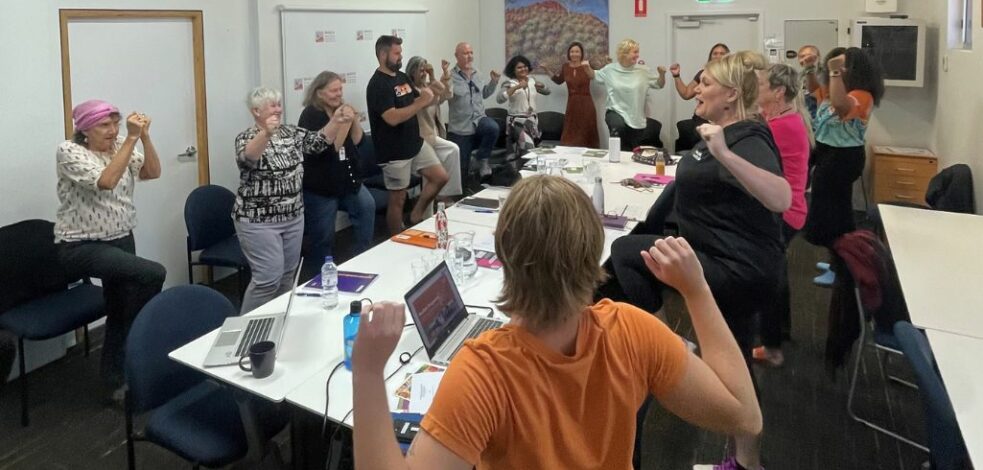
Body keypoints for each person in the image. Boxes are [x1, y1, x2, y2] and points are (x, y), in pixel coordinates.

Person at [350, 175, 762, 470]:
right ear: (592, 251)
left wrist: (368, 371)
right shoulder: (633, 329)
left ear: (504, 253)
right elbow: (745, 417)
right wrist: (697, 291)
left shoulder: (484, 371)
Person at [605, 53, 792, 470]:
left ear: (729, 95)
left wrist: (724, 152)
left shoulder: (747, 137)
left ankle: (671, 345)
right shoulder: (718, 133)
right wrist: (643, 227)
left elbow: (781, 198)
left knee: (623, 254)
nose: (697, 89)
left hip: (737, 268)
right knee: (736, 361)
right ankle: (748, 462)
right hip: (719, 257)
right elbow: (678, 193)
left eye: (705, 83)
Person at [55, 99, 166, 397]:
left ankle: (115, 378)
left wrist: (143, 137)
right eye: (105, 125)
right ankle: (140, 339)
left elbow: (152, 172)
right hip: (82, 245)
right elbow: (105, 181)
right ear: (85, 129)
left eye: (116, 123)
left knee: (121, 308)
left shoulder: (120, 145)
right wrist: (130, 138)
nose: (113, 130)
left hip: (119, 237)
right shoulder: (70, 151)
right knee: (153, 273)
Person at [234, 87, 333, 314]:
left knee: (288, 276)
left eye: (279, 104)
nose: (278, 109)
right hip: (258, 220)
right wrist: (266, 134)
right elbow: (248, 158)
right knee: (268, 278)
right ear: (256, 111)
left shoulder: (290, 133)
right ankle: (248, 330)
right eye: (272, 105)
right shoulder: (246, 137)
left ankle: (279, 322)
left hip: (293, 216)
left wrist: (337, 120)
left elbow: (319, 142)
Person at [751, 63, 814, 367]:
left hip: (784, 214)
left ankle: (772, 346)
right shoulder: (786, 118)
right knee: (778, 272)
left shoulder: (780, 127)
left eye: (761, 85)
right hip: (792, 210)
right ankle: (781, 333)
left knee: (769, 277)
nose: (756, 90)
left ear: (777, 92)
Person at [802, 47, 884, 249]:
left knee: (837, 210)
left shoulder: (863, 95)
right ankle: (835, 257)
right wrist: (810, 67)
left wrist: (835, 71)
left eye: (842, 66)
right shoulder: (833, 91)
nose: (837, 70)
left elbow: (841, 105)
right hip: (826, 151)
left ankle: (845, 260)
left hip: (843, 157)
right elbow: (813, 90)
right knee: (826, 205)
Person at [366, 35, 449, 235]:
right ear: (383, 54)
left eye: (401, 53)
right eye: (396, 53)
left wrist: (432, 92)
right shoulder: (377, 85)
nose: (400, 57)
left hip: (415, 143)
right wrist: (420, 102)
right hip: (394, 152)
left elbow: (419, 100)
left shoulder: (402, 77)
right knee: (398, 199)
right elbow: (392, 118)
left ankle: (416, 215)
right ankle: (397, 237)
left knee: (440, 177)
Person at [297, 71, 376, 263]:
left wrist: (354, 120)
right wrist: (343, 124)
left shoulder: (341, 110)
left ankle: (362, 257)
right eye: (333, 91)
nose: (339, 94)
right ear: (319, 93)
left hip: (347, 179)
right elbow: (332, 149)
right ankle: (322, 273)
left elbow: (358, 140)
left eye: (340, 89)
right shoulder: (311, 115)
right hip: (321, 186)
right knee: (324, 235)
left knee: (367, 206)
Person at [406, 56, 463, 200]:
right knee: (449, 152)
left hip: (434, 135)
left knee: (452, 151)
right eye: (421, 70)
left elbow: (445, 94)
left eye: (425, 70)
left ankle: (445, 194)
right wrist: (433, 84)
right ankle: (438, 199)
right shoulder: (409, 90)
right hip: (421, 138)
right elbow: (428, 100)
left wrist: (432, 75)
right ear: (412, 71)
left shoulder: (426, 86)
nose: (423, 73)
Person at [595, 39, 667, 152]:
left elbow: (659, 84)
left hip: (635, 118)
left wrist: (662, 74)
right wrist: (586, 67)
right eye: (635, 52)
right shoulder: (610, 69)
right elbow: (594, 75)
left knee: (632, 151)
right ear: (624, 53)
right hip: (615, 111)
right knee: (618, 128)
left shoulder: (643, 71)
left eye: (638, 52)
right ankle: (615, 162)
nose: (637, 55)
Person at [447, 42, 501, 178]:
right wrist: (444, 83)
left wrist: (493, 82)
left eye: (471, 53)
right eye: (465, 53)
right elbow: (445, 96)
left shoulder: (477, 73)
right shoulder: (450, 77)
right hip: (460, 129)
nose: (469, 56)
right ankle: (463, 196)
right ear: (456, 56)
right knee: (461, 171)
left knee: (493, 128)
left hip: (478, 121)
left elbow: (485, 93)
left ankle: (482, 159)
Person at [670, 43, 730, 150]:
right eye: (715, 53)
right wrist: (676, 76)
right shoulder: (703, 74)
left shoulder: (732, 76)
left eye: (722, 53)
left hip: (723, 118)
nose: (718, 56)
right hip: (703, 118)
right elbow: (686, 93)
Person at [542, 41, 599, 148]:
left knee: (586, 130)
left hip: (586, 104)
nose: (574, 54)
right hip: (572, 104)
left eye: (577, 51)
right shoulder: (565, 67)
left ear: (581, 53)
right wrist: (546, 70)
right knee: (571, 132)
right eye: (572, 51)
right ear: (569, 53)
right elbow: (558, 80)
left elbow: (596, 76)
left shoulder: (587, 65)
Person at [496, 54, 551, 156]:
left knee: (530, 152)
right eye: (519, 67)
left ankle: (523, 171)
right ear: (513, 70)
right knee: (528, 149)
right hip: (517, 123)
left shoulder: (532, 80)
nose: (523, 69)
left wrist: (542, 86)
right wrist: (517, 87)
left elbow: (547, 91)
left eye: (525, 66)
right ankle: (519, 170)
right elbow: (499, 99)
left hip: (532, 122)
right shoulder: (509, 83)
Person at [796, 45, 821, 119]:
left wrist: (809, 69)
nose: (806, 59)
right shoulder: (799, 75)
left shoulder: (824, 73)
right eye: (802, 56)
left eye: (809, 56)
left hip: (817, 113)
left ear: (818, 58)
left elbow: (815, 91)